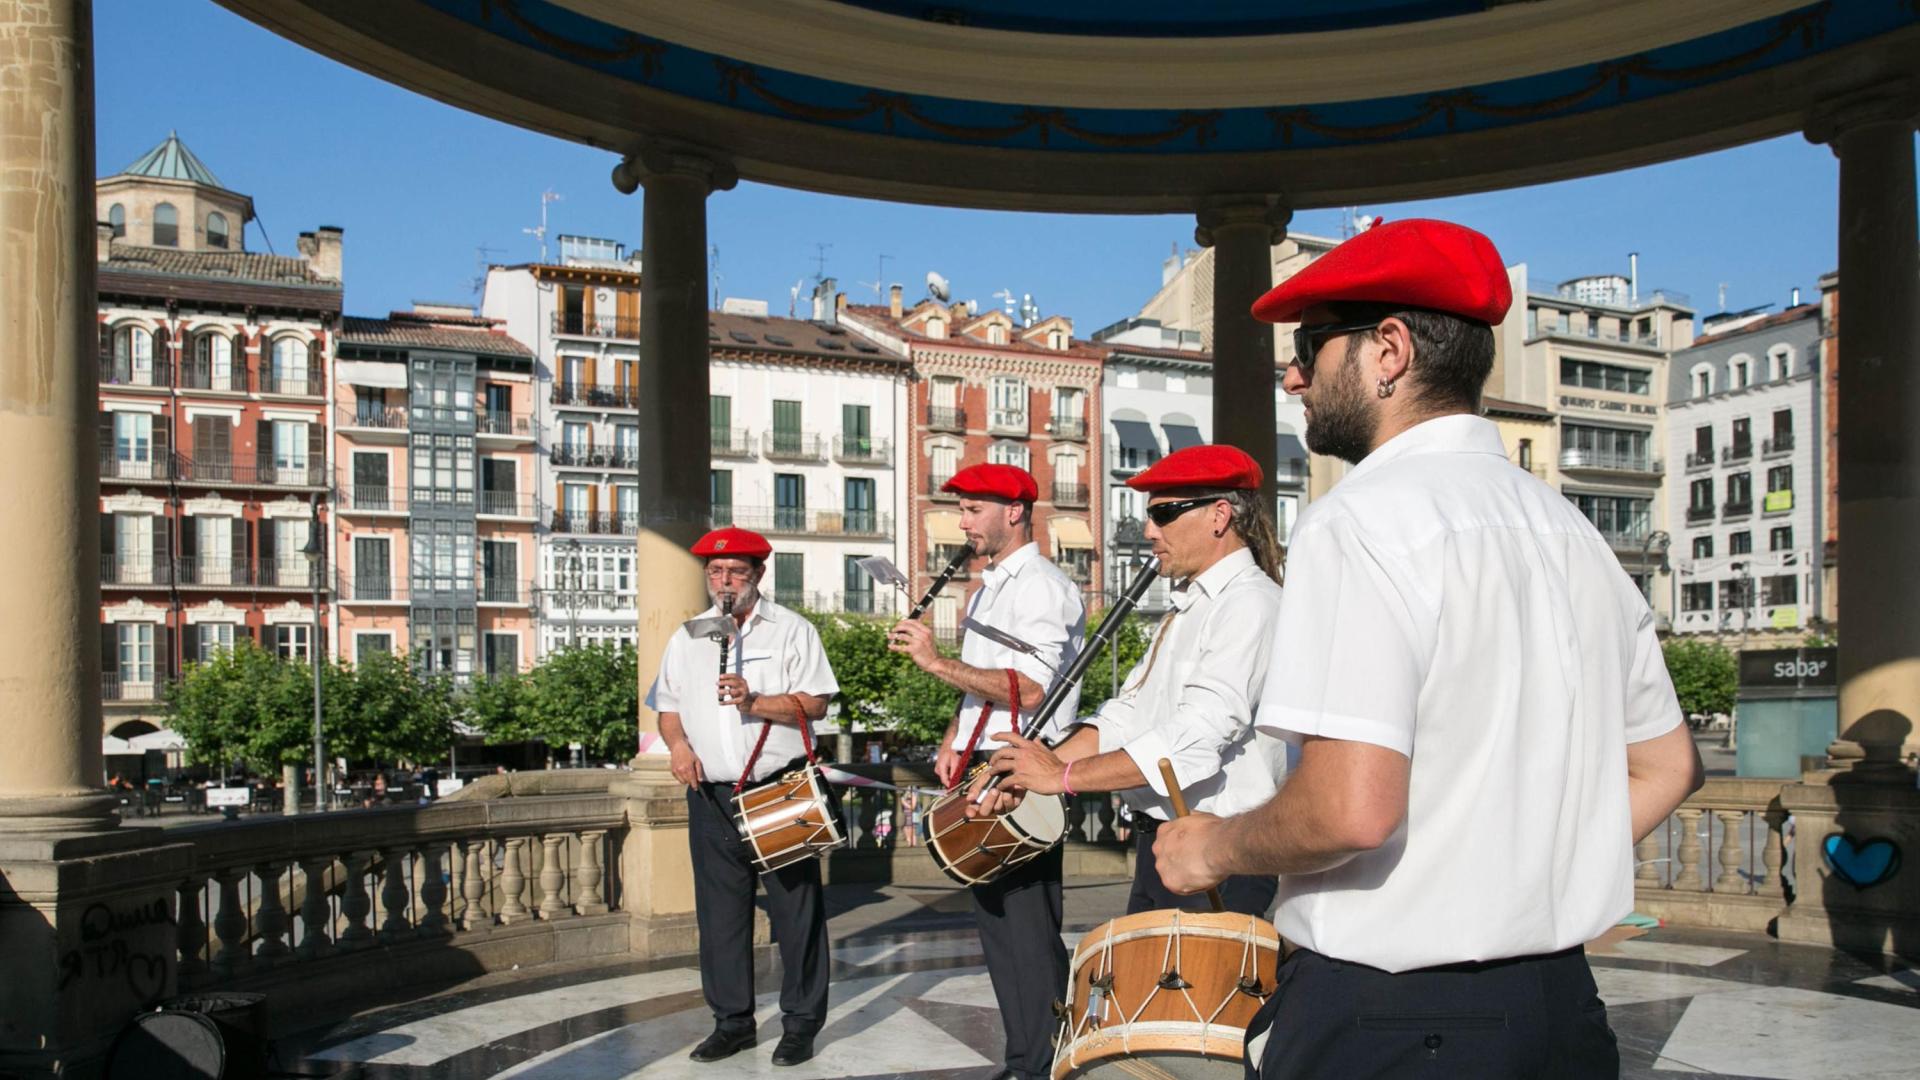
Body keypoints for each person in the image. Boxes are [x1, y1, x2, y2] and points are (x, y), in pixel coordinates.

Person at [1150, 218, 1705, 1078]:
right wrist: (1518, 869)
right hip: (1561, 1011)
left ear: (1388, 350)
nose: (1294, 374)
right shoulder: (1573, 532)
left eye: (1312, 346)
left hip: (1396, 1023)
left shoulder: (1361, 521)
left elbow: (1351, 808)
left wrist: (1210, 847)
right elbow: (1667, 767)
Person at [979, 443, 1286, 916]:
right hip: (1164, 847)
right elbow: (1125, 716)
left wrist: (1061, 776)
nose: (1148, 531)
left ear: (1219, 516)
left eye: (1163, 514)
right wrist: (1033, 769)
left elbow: (1193, 738)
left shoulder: (1250, 604)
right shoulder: (1188, 607)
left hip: (1218, 854)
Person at [889, 462, 1086, 1080]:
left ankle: (1049, 1060)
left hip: (1025, 767)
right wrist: (954, 734)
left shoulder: (1045, 588)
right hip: (987, 760)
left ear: (1015, 512)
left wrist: (935, 662)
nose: (963, 522)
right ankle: (1026, 1056)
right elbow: (985, 689)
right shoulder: (990, 588)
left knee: (1027, 928)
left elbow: (1032, 691)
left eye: (975, 510)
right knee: (999, 927)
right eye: (962, 510)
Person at [649, 526, 839, 1068]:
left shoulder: (793, 631)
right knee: (719, 917)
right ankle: (732, 1023)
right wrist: (679, 746)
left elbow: (817, 705)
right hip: (710, 797)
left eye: (735, 572)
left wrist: (756, 700)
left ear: (757, 575)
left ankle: (800, 1024)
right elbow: (668, 707)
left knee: (796, 912)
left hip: (778, 791)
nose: (723, 581)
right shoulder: (689, 635)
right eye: (714, 571)